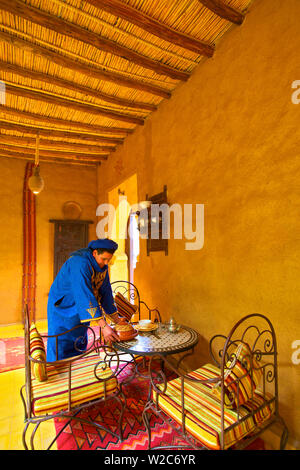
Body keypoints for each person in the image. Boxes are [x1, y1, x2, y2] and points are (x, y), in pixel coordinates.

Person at [46, 238, 122, 362]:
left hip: (81, 306)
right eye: (103, 259)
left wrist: (116, 319)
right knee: (61, 341)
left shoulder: (102, 266)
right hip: (64, 306)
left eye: (109, 259)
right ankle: (56, 371)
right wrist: (103, 326)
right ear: (95, 253)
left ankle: (76, 370)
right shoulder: (79, 263)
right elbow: (84, 294)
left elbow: (106, 292)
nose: (106, 262)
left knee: (79, 338)